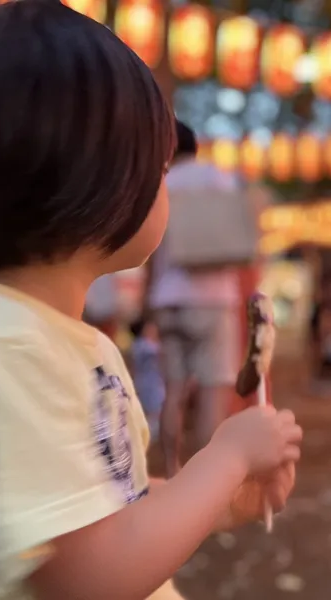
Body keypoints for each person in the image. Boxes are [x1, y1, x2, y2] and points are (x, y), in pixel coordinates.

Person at [0, 4, 303, 599]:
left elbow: (105, 506)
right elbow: (90, 574)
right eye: (158, 165)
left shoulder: (55, 338)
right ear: (99, 177)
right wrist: (226, 460)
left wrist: (218, 501)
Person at [147, 121, 244, 477]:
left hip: (167, 298)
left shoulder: (159, 184)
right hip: (212, 299)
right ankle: (201, 479)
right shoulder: (218, 179)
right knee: (211, 390)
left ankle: (172, 470)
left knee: (173, 391)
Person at [130, 315, 166, 439]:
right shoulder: (143, 345)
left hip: (149, 382)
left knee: (151, 410)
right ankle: (151, 435)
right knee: (154, 409)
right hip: (150, 383)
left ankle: (150, 433)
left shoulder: (138, 345)